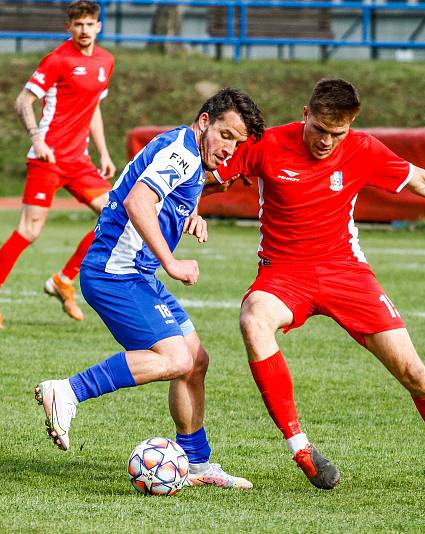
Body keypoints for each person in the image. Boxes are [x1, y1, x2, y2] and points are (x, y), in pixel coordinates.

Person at [210, 79, 425, 494]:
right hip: (283, 272)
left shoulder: (364, 150)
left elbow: (421, 181)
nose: (327, 142)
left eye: (339, 133)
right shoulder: (268, 144)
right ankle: (300, 448)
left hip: (346, 273)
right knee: (254, 318)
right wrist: (184, 206)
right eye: (320, 130)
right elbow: (207, 176)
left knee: (414, 372)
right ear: (305, 114)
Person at [34, 88, 266, 489]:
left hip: (136, 274)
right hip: (114, 273)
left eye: (238, 142)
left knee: (195, 360)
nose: (230, 149)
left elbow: (176, 189)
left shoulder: (189, 154)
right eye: (226, 136)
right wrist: (172, 262)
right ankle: (68, 391)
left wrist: (191, 211)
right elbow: (138, 201)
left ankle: (195, 463)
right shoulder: (180, 152)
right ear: (205, 121)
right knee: (175, 358)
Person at [0, 1, 116, 329]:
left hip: (79, 162)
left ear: (99, 27)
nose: (83, 30)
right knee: (29, 231)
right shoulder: (57, 60)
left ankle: (64, 280)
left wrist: (104, 153)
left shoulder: (106, 61)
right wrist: (37, 139)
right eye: (77, 24)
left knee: (116, 215)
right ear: (69, 27)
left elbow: (93, 107)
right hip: (47, 160)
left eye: (89, 24)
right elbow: (23, 100)